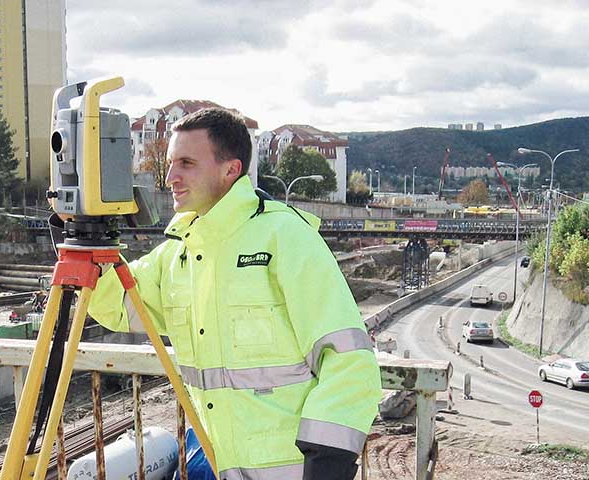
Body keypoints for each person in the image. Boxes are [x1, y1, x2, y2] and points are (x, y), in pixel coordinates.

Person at [88, 108, 382, 479]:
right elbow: (120, 307)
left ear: (230, 169)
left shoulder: (285, 237)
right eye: (170, 163)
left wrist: (325, 467)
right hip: (216, 464)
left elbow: (349, 361)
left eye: (187, 163)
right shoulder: (178, 254)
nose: (171, 177)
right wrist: (83, 243)